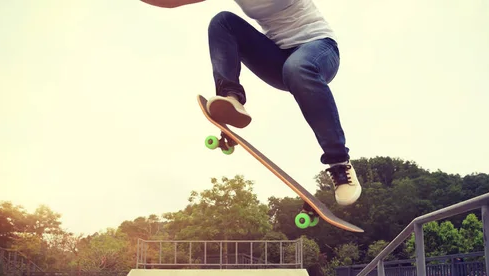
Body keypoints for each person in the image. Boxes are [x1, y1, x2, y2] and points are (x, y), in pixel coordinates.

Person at [140, 0, 362, 206]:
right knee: (222, 21)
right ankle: (231, 99)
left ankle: (339, 162)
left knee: (297, 68)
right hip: (277, 61)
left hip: (319, 50)